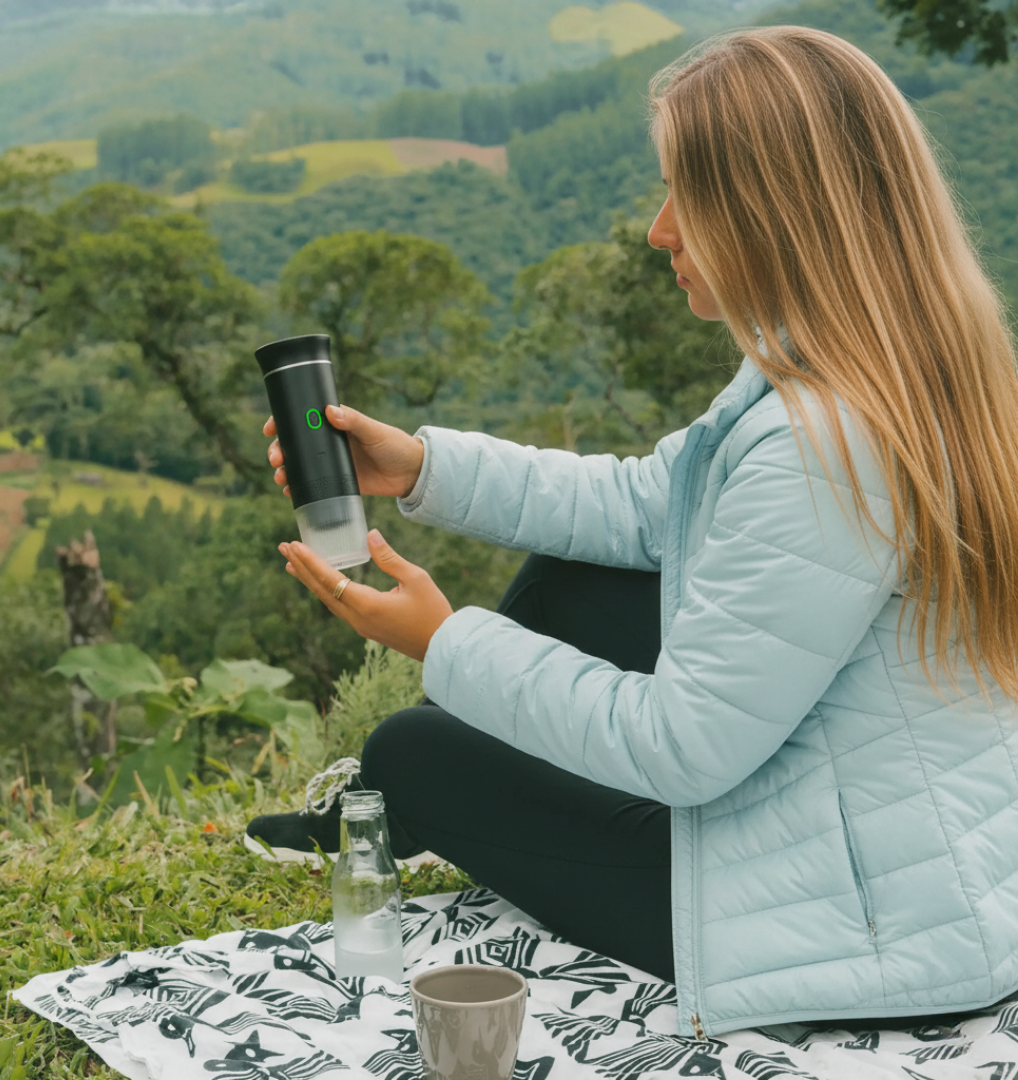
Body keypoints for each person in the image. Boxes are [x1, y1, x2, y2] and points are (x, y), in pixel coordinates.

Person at [245, 25, 1018, 1038]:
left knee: (415, 750)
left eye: (682, 201)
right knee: (574, 580)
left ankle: (395, 803)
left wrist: (443, 642)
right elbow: (648, 504)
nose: (659, 231)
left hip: (862, 922)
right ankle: (466, 784)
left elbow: (685, 749)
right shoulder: (880, 367)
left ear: (769, 217)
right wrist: (422, 467)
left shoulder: (822, 441)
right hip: (883, 842)